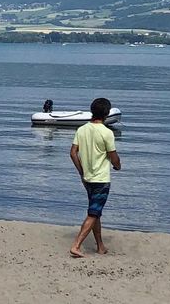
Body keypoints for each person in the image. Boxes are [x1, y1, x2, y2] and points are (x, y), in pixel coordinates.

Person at [68, 97, 121, 258]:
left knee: (95, 211)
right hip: (101, 179)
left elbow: (73, 153)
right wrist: (117, 165)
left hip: (87, 178)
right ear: (106, 113)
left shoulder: (82, 129)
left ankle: (100, 246)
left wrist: (81, 171)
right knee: (93, 213)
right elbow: (113, 156)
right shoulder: (106, 133)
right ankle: (76, 245)